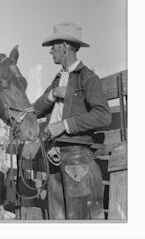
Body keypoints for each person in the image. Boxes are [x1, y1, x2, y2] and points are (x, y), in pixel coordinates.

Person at [33, 22, 111, 220]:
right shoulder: (58, 78)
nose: (50, 51)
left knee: (78, 219)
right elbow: (35, 110)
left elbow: (103, 115)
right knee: (57, 217)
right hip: (54, 154)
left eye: (54, 45)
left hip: (77, 157)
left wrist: (64, 125)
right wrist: (52, 94)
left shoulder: (88, 77)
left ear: (65, 46)